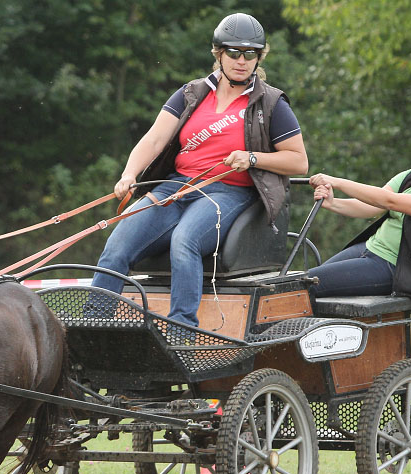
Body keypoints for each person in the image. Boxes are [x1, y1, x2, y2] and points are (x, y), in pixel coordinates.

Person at [88, 12, 308, 327]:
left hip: (228, 191)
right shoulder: (191, 93)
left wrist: (253, 158)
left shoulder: (272, 104)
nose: (241, 60)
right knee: (117, 244)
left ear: (260, 58)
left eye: (250, 54)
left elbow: (298, 161)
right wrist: (129, 174)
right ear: (219, 54)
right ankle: (94, 327)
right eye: (233, 52)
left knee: (185, 240)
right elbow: (153, 140)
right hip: (174, 186)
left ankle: (182, 329)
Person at [306, 115, 411, 306]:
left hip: (396, 269)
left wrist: (336, 181)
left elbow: (389, 201)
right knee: (300, 283)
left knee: (303, 288)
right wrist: (333, 203)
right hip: (368, 249)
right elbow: (373, 206)